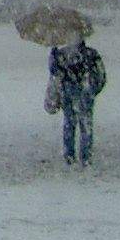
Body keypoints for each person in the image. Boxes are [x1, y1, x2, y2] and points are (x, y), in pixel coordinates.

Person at [47, 33, 107, 165]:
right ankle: (86, 156)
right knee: (86, 124)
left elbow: (54, 73)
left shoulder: (60, 54)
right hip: (85, 91)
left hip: (67, 90)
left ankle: (69, 155)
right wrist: (93, 89)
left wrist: (54, 55)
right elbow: (101, 75)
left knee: (69, 122)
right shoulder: (91, 54)